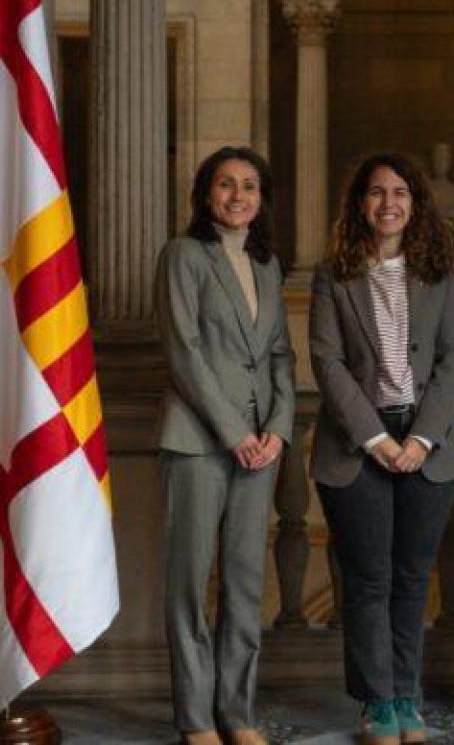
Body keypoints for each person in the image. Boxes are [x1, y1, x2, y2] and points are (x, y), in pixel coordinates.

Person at [310, 153, 454, 745]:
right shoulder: (334, 274)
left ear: (416, 203)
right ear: (359, 203)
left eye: (400, 192)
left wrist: (421, 438)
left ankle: (409, 694)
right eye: (376, 192)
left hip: (428, 443)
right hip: (359, 446)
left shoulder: (440, 270)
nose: (388, 203)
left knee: (410, 577)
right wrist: (376, 438)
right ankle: (376, 701)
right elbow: (325, 360)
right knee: (368, 580)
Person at [156, 147, 296, 745]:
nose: (238, 196)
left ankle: (237, 715)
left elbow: (282, 357)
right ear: (205, 193)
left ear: (262, 198)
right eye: (225, 185)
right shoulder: (183, 256)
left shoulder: (267, 265)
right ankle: (195, 719)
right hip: (198, 442)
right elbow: (184, 351)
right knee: (191, 583)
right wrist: (232, 432)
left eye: (249, 187)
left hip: (260, 447)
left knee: (244, 583)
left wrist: (278, 429)